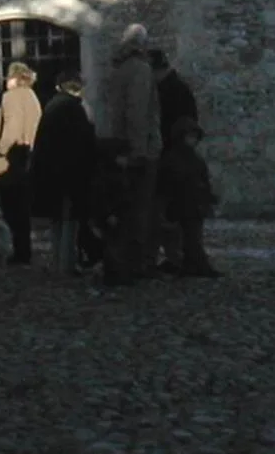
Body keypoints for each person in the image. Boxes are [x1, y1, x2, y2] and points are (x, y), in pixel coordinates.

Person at [100, 22, 161, 285]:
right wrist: (139, 151)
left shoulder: (118, 70)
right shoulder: (139, 70)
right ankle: (135, 266)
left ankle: (121, 263)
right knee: (139, 211)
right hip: (138, 151)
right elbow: (137, 113)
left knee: (124, 211)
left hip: (118, 147)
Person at [32, 71, 98, 275]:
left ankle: (57, 261)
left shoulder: (51, 107)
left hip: (51, 172)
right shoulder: (73, 109)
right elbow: (84, 142)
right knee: (69, 219)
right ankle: (65, 264)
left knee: (57, 220)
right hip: (69, 172)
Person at [0, 61, 43, 265]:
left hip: (11, 161)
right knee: (22, 211)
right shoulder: (31, 96)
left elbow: (12, 126)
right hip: (27, 159)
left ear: (14, 77)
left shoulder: (11, 97)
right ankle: (23, 251)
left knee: (11, 208)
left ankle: (19, 253)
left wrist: (2, 147)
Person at [150, 49, 198, 270]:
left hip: (171, 156)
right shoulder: (176, 88)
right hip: (175, 155)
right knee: (173, 209)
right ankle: (176, 255)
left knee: (171, 209)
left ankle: (176, 256)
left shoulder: (170, 91)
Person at [158, 115, 221, 278]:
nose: (192, 140)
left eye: (194, 137)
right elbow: (168, 184)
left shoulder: (195, 159)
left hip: (193, 205)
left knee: (194, 238)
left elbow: (202, 180)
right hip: (180, 205)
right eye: (189, 136)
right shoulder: (172, 159)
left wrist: (208, 198)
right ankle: (187, 264)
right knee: (183, 239)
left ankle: (195, 265)